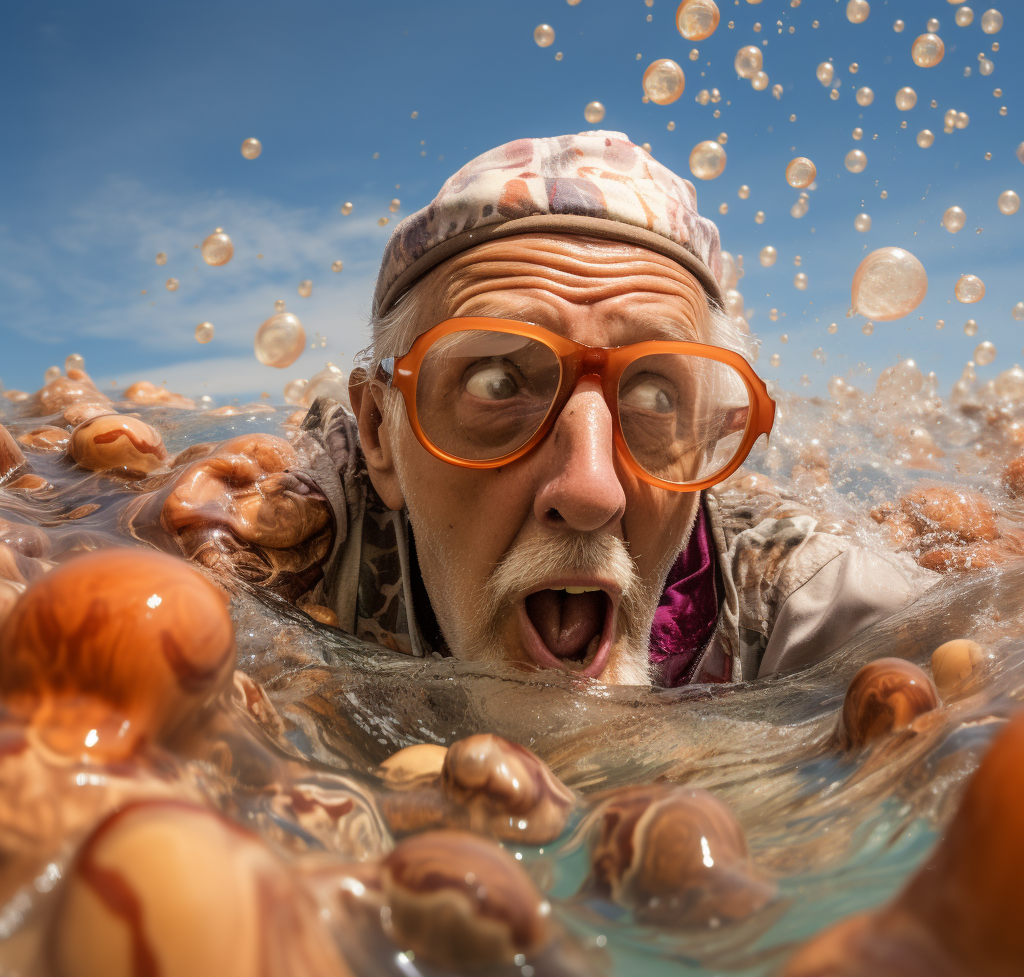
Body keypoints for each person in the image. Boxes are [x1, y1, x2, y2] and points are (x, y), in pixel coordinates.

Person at [290, 132, 934, 686]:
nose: (592, 492)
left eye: (656, 398)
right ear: (380, 432)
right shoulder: (298, 543)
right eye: (496, 383)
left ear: (709, 438)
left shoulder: (808, 600)